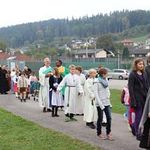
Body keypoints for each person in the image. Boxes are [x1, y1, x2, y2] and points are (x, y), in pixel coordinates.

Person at [128, 58, 149, 140]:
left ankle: (133, 126)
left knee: (145, 117)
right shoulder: (132, 74)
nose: (141, 65)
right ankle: (138, 133)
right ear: (136, 65)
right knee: (139, 116)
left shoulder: (144, 73)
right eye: (140, 64)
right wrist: (133, 100)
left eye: (142, 64)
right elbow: (131, 88)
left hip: (145, 99)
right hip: (137, 99)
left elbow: (147, 85)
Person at [93, 68, 113, 140]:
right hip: (100, 103)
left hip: (106, 102)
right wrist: (101, 105)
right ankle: (99, 133)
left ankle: (108, 133)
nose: (107, 75)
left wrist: (108, 99)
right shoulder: (96, 81)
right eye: (106, 73)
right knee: (100, 118)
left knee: (109, 118)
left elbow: (107, 90)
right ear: (102, 74)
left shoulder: (105, 80)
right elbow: (96, 94)